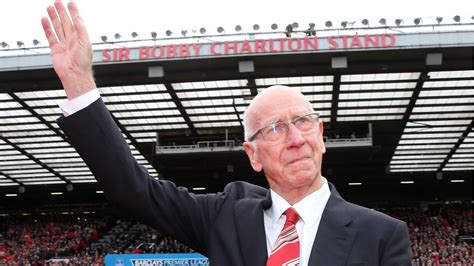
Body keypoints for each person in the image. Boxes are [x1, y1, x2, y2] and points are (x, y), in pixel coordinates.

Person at [41, 1, 411, 265]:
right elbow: (134, 190)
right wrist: (79, 82)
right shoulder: (228, 216)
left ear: (321, 134)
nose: (296, 138)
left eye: (302, 122)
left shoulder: (382, 235)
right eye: (275, 129)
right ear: (252, 154)